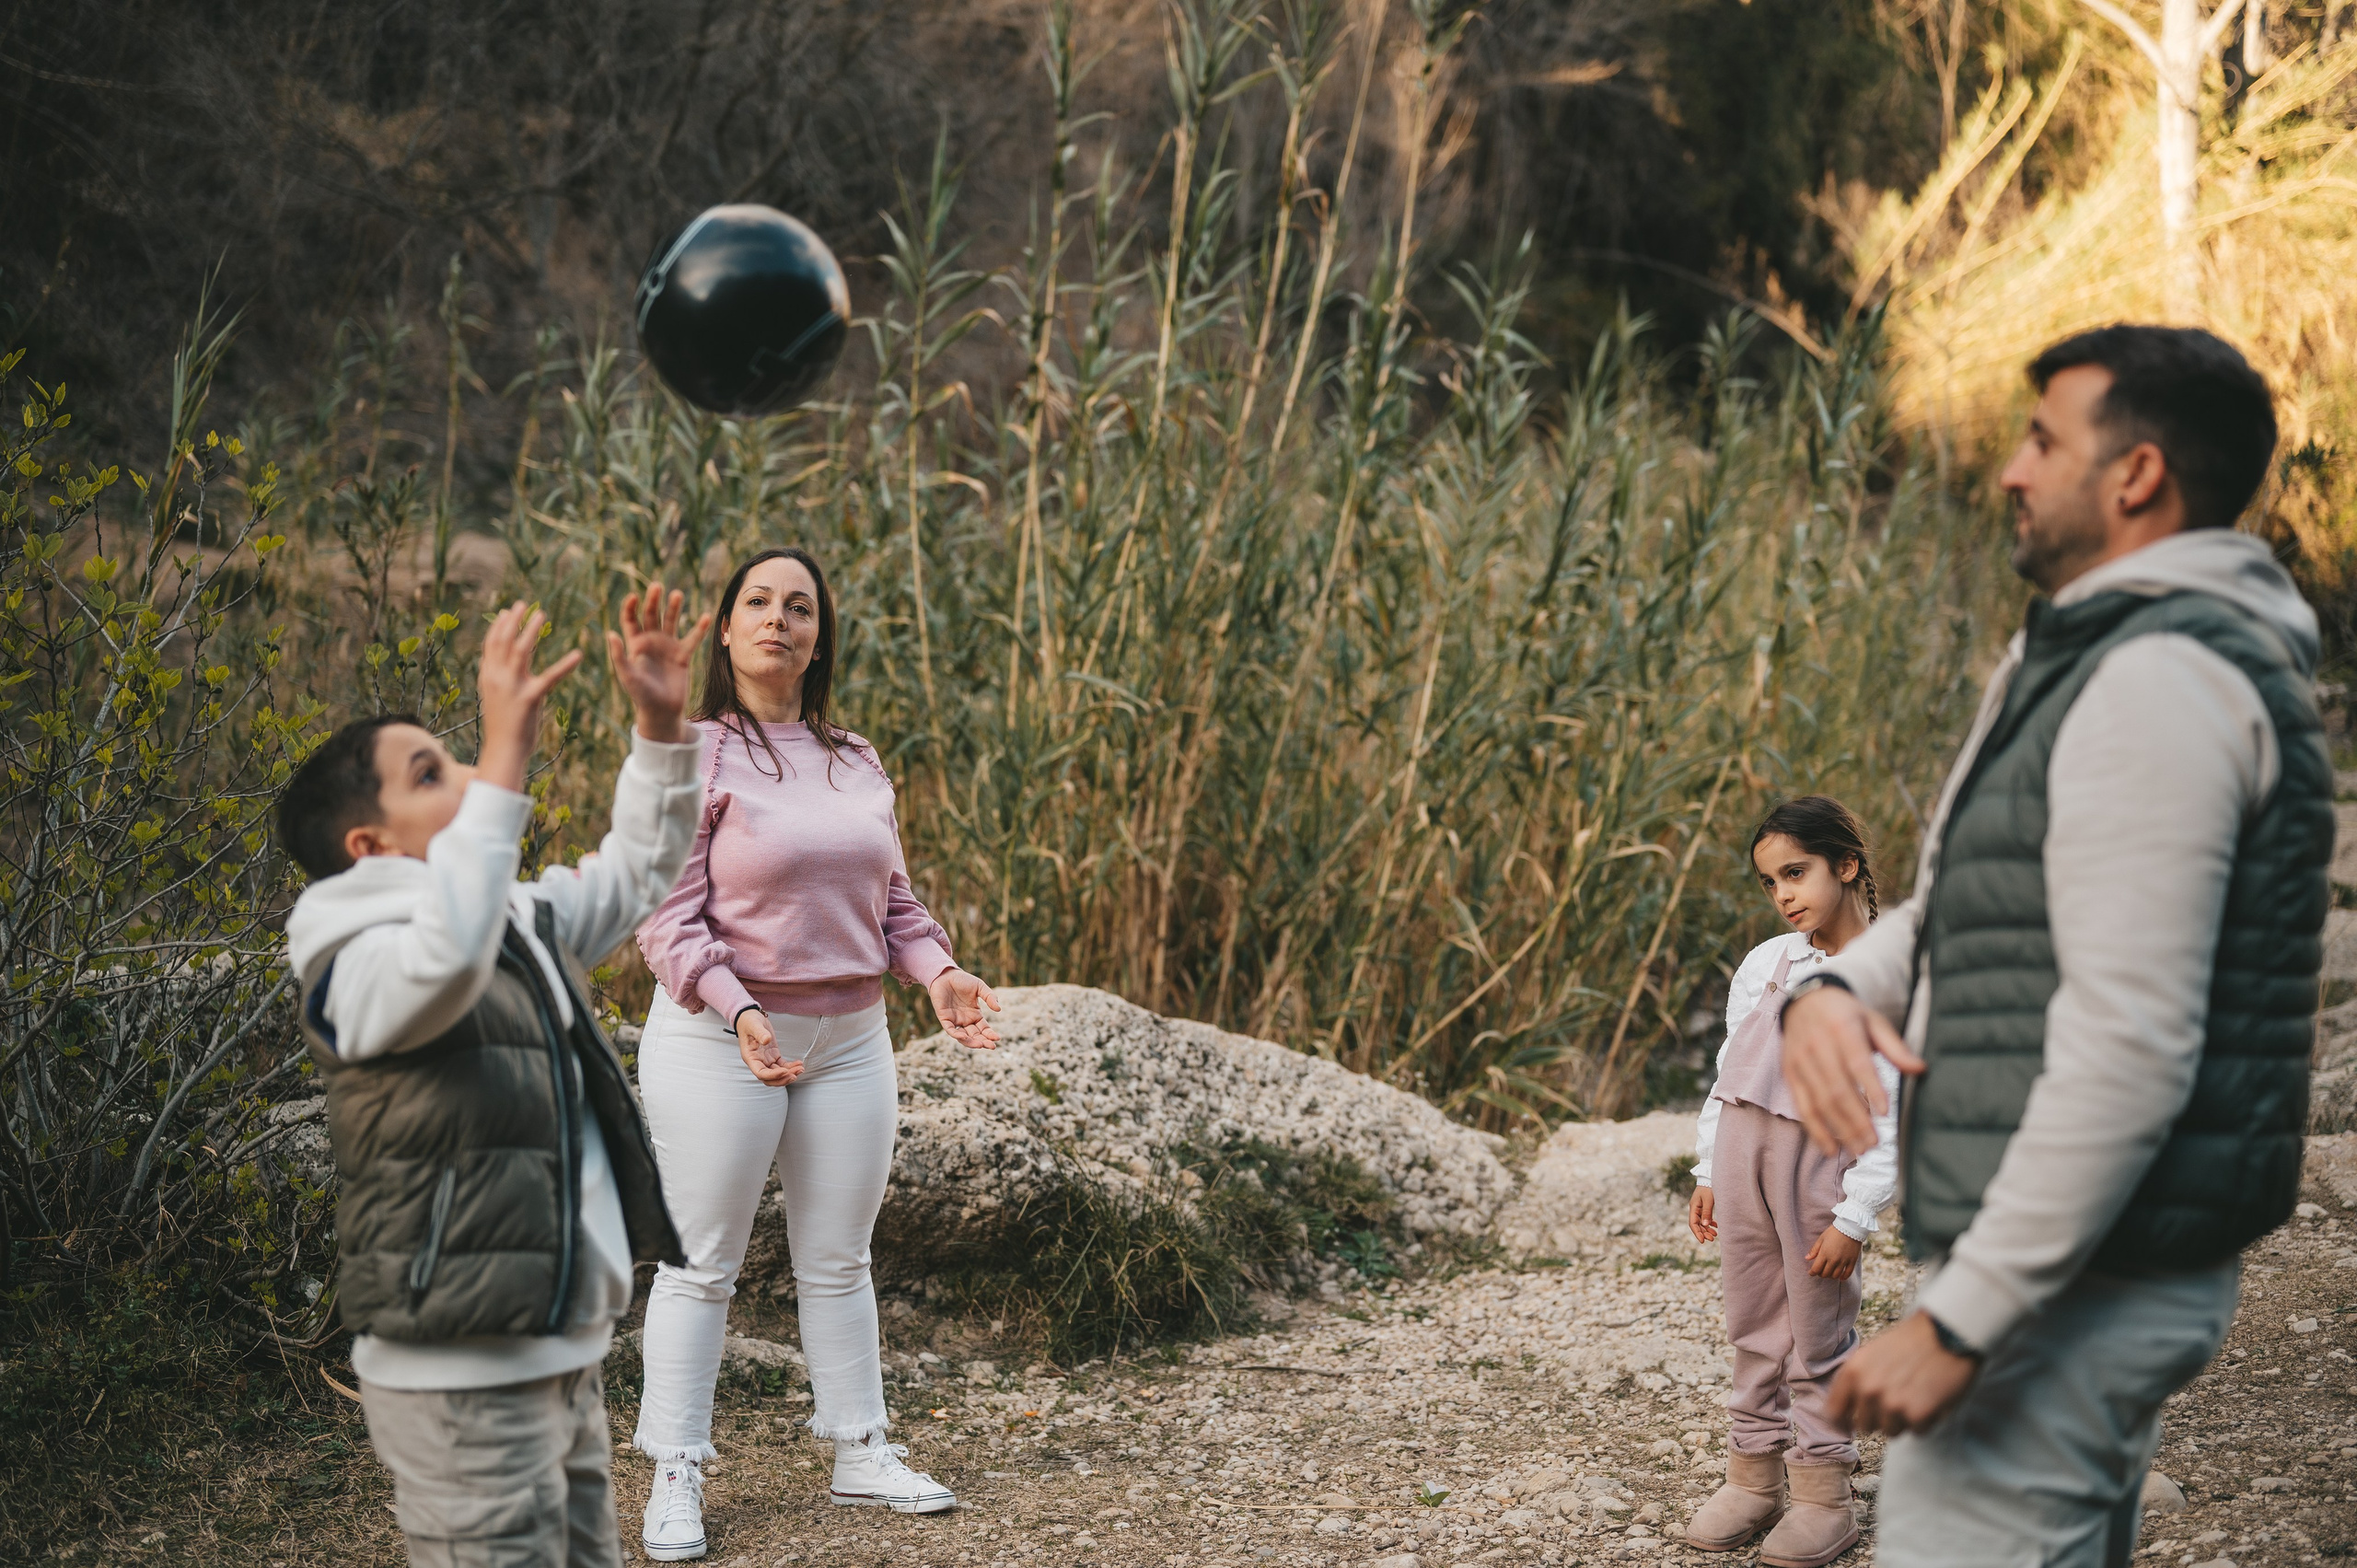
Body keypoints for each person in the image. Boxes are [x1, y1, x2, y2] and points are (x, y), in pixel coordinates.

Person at [1777, 325, 2331, 1566]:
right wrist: (1838, 989)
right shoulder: (2096, 653)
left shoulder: (2162, 681)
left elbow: (2131, 1048)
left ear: (2136, 475)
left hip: (2073, 1289)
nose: (2013, 472)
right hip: (2072, 1273)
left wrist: (1962, 1321)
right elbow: (1978, 905)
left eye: (2043, 441)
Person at [280, 584, 714, 1568]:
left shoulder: (514, 918)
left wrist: (658, 728)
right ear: (370, 844)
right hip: (456, 1373)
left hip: (559, 1347)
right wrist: (508, 756)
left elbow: (641, 869)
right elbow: (445, 960)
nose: (475, 772)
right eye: (436, 769)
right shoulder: (349, 958)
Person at [631, 545, 1003, 1559]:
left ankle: (859, 1447)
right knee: (703, 1262)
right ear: (724, 626)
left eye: (800, 606)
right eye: (757, 601)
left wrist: (939, 975)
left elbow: (892, 902)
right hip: (720, 1039)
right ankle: (676, 1469)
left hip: (850, 1040)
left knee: (839, 1258)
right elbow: (665, 919)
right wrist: (740, 1008)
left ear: (819, 636)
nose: (778, 618)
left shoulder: (855, 755)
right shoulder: (689, 751)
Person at [1684, 796, 1896, 1566]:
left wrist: (1857, 1213)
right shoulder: (1769, 961)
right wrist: (1710, 1168)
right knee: (1753, 1321)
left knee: (1817, 1331)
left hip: (1819, 1168)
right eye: (1772, 881)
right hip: (1744, 1158)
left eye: (1797, 873)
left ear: (1846, 865)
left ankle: (1822, 1493)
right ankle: (1754, 1474)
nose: (1785, 894)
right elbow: (1725, 1079)